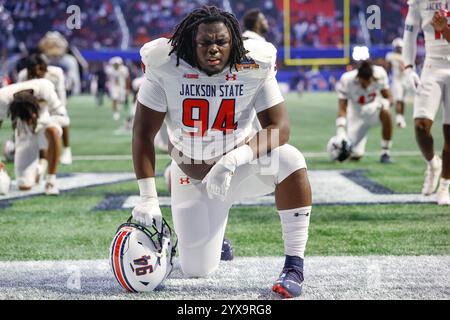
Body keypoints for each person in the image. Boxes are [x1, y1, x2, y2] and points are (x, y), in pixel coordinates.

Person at [131, 6, 312, 299]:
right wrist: (148, 198)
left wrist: (233, 159)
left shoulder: (254, 63)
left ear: (234, 43)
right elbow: (142, 134)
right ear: (191, 43)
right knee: (196, 269)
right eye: (205, 43)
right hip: (192, 173)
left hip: (240, 167)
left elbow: (279, 127)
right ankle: (201, 218)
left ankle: (294, 266)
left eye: (221, 42)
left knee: (290, 158)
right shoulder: (166, 63)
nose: (213, 49)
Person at [402, 0, 450, 205]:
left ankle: (445, 185)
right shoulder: (420, 2)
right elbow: (409, 34)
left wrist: (445, 29)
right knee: (421, 125)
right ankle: (432, 164)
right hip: (432, 64)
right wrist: (409, 67)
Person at [0, 78, 65, 195]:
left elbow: (64, 119)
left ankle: (51, 180)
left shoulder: (45, 87)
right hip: (23, 132)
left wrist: (41, 122)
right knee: (24, 185)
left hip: (45, 123)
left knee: (53, 131)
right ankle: (39, 169)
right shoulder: (2, 99)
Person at [335, 60, 394, 163]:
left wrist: (386, 103)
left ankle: (385, 152)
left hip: (373, 111)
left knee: (386, 113)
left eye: (368, 82)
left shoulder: (380, 74)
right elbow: (342, 108)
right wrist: (340, 130)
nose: (366, 85)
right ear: (358, 77)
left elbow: (389, 97)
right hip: (356, 115)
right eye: (363, 82)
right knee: (351, 155)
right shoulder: (347, 79)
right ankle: (355, 149)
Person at [17, 54, 72, 165]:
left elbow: (60, 95)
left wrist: (58, 109)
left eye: (37, 69)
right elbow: (20, 97)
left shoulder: (56, 73)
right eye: (32, 70)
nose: (36, 73)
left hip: (52, 102)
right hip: (33, 105)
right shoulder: (23, 75)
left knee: (63, 117)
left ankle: (66, 149)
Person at [385, 38, 408, 128]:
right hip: (396, 79)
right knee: (398, 99)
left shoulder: (406, 56)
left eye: (400, 47)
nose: (399, 49)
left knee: (403, 100)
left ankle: (401, 117)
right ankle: (398, 118)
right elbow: (388, 68)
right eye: (398, 47)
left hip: (405, 80)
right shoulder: (391, 56)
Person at [105, 56, 130, 121]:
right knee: (114, 98)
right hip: (114, 86)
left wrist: (128, 88)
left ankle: (118, 108)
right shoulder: (109, 70)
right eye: (114, 64)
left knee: (122, 101)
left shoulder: (124, 69)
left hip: (122, 86)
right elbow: (108, 78)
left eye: (117, 64)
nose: (116, 65)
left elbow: (127, 79)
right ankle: (115, 113)